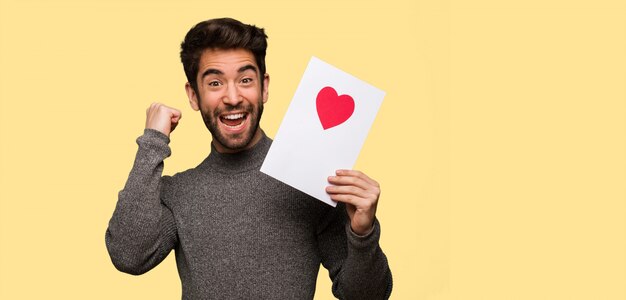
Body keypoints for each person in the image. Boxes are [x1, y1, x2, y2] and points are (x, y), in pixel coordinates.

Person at [105, 17, 392, 299]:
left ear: (264, 87)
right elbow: (129, 255)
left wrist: (363, 233)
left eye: (245, 80)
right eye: (215, 83)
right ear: (193, 96)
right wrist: (152, 142)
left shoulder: (310, 178)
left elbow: (368, 295)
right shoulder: (179, 193)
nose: (232, 97)